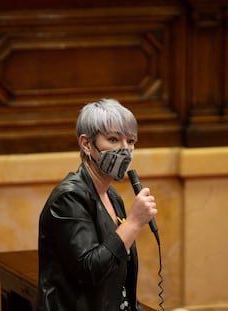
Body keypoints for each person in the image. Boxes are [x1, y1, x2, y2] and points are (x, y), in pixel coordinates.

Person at [34, 98, 158, 311]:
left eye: (131, 141)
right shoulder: (69, 197)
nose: (125, 150)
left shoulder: (112, 196)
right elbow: (89, 271)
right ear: (86, 144)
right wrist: (134, 222)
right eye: (113, 139)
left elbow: (118, 275)